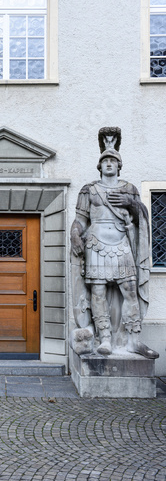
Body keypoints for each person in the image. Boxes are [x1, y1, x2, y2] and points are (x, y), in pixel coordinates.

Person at [70, 127, 158, 359]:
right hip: (96, 244)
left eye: (113, 160)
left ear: (119, 165)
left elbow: (142, 219)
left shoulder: (130, 189)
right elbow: (79, 220)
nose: (109, 163)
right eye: (105, 160)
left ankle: (134, 340)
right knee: (97, 292)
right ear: (100, 166)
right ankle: (105, 338)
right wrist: (74, 235)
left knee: (129, 291)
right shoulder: (89, 190)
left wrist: (132, 204)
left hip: (121, 243)